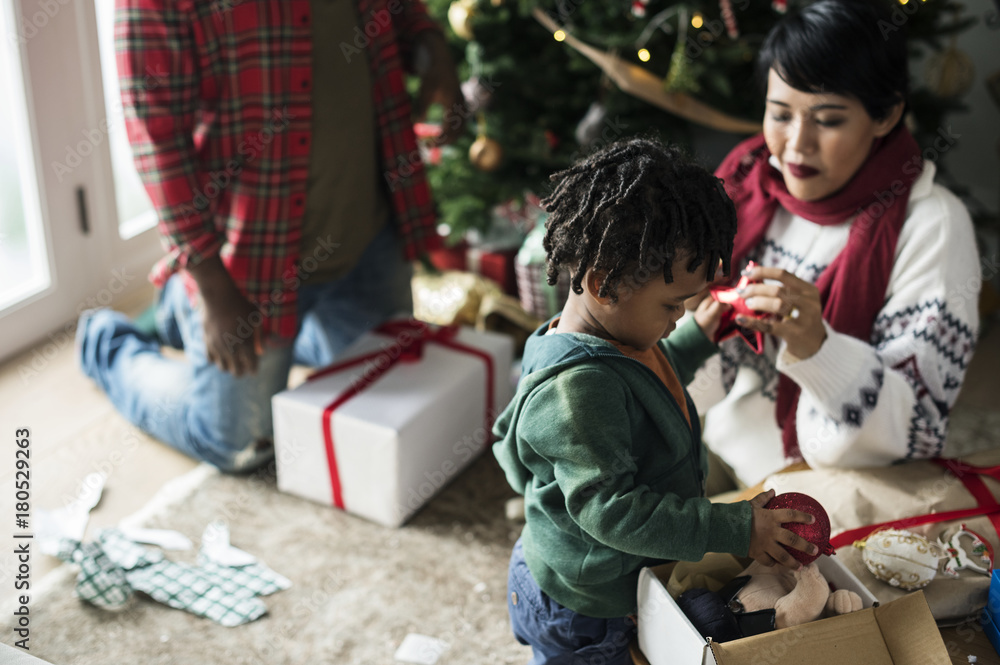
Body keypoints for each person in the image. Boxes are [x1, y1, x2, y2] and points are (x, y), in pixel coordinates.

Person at [77, 0, 464, 472]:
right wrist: (214, 288)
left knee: (388, 406)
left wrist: (431, 45)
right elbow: (157, 145)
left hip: (367, 236)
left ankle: (189, 317)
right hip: (247, 266)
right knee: (238, 445)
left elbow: (399, 12)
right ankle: (110, 341)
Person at [492, 138, 818, 665]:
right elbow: (614, 513)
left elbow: (647, 388)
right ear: (604, 284)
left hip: (605, 584)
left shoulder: (619, 338)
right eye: (672, 306)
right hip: (584, 606)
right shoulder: (577, 391)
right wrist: (733, 527)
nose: (678, 317)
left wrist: (695, 339)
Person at [693, 0, 982, 490]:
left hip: (831, 483)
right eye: (780, 114)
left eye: (827, 120)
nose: (796, 145)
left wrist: (817, 346)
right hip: (712, 437)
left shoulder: (932, 226)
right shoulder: (746, 180)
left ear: (887, 115)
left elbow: (916, 430)